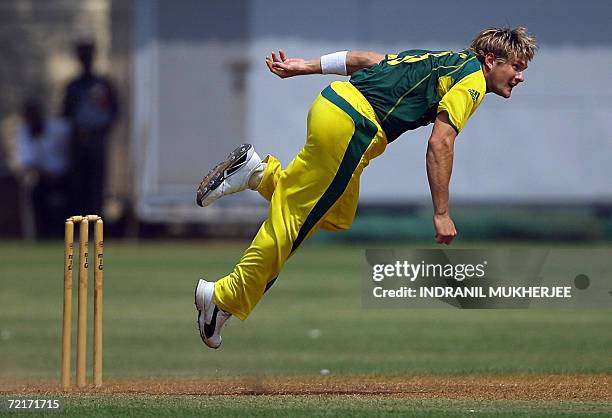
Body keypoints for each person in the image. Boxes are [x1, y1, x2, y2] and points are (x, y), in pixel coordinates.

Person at [194, 27, 537, 348]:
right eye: (517, 67)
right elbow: (440, 144)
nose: (520, 76)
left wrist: (306, 67)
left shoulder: (444, 60)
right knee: (293, 223)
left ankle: (259, 173)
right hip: (354, 127)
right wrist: (442, 213)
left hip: (334, 105)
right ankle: (222, 298)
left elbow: (369, 60)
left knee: (334, 215)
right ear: (492, 61)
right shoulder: (472, 82)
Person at [61, 41, 118, 216]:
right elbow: (65, 113)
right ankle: (78, 224)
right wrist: (78, 131)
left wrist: (97, 132)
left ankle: (96, 224)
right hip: (78, 144)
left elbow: (114, 112)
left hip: (97, 143)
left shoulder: (103, 84)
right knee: (78, 185)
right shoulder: (73, 86)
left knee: (96, 185)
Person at [15, 99, 71, 239]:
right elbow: (26, 162)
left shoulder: (58, 128)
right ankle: (41, 236)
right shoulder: (24, 133)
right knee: (38, 201)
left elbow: (74, 137)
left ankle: (64, 235)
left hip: (63, 177)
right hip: (41, 179)